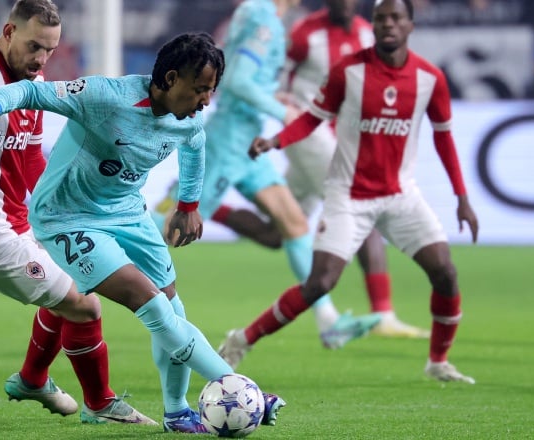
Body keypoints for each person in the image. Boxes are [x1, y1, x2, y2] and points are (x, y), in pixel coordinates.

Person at [0, 32, 286, 433]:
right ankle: (239, 388)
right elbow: (31, 91)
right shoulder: (105, 97)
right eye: (200, 90)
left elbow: (194, 148)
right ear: (169, 79)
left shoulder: (189, 118)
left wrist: (188, 206)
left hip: (128, 213)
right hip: (68, 217)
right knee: (149, 302)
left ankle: (176, 411)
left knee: (174, 308)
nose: (207, 101)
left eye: (211, 91)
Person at [0, 0, 156, 426]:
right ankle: (99, 404)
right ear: (8, 33)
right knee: (85, 305)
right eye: (33, 47)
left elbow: (29, 160)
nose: (41, 59)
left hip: (17, 224)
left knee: (77, 282)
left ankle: (31, 379)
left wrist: (70, 211)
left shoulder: (32, 81)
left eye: (49, 49)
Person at [218, 0, 480, 384]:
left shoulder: (430, 78)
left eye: (396, 18)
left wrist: (462, 198)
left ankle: (438, 361)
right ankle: (242, 339)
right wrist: (277, 140)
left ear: (411, 24)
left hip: (401, 196)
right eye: (381, 19)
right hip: (349, 196)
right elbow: (312, 117)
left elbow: (445, 140)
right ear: (372, 25)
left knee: (445, 272)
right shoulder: (349, 70)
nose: (387, 24)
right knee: (319, 283)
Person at [152, 0, 382, 350]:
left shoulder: (260, 14)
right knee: (173, 227)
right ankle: (94, 238)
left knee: (293, 223)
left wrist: (276, 96)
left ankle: (329, 321)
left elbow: (241, 75)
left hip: (247, 141)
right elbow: (241, 81)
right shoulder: (263, 19)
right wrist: (282, 111)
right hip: (229, 141)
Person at [212, 0, 430, 339]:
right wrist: (282, 105)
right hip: (301, 134)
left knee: (284, 230)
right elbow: (252, 74)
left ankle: (207, 207)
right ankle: (383, 312)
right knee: (361, 207)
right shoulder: (296, 29)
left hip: (317, 137)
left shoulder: (362, 32)